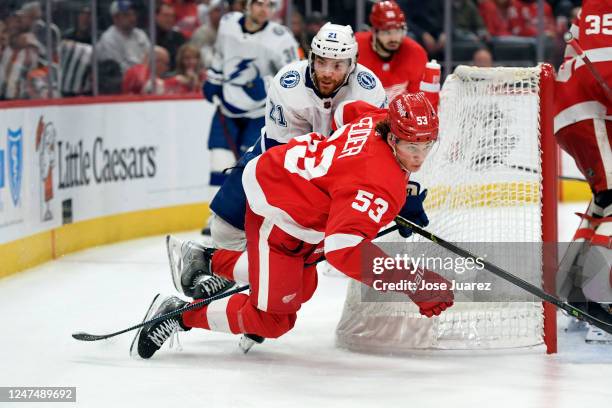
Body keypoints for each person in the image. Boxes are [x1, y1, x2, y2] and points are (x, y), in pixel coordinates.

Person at [131, 92, 455, 359]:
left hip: (296, 190)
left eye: (428, 145)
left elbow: (347, 112)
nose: (419, 157)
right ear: (393, 135)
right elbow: (343, 251)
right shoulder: (376, 182)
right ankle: (176, 314)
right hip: (280, 211)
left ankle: (207, 260)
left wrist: (340, 177)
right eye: (412, 146)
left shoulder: (377, 119)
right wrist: (414, 281)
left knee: (302, 287)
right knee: (273, 321)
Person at [189, 22, 386, 292]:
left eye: (337, 65)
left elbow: (373, 152)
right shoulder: (288, 83)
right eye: (322, 62)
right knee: (224, 226)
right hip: (279, 160)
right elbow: (283, 156)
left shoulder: (369, 89)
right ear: (311, 57)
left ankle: (248, 283)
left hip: (336, 174)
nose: (328, 73)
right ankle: (227, 272)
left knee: (295, 258)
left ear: (352, 64)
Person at [554, 0, 612, 340]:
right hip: (586, 112)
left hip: (585, 112)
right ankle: (599, 299)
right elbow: (602, 64)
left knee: (604, 201)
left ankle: (573, 290)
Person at [203, 0, 299, 186]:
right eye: (259, 4)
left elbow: (294, 76)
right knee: (218, 166)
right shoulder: (228, 23)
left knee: (248, 173)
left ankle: (240, 215)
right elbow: (220, 54)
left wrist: (265, 85)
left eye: (270, 5)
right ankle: (213, 215)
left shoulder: (281, 38)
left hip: (260, 114)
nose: (264, 10)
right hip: (227, 107)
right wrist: (213, 79)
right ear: (247, 4)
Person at [356, 0, 435, 104]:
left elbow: (419, 100)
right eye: (387, 32)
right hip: (362, 114)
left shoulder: (415, 53)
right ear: (374, 31)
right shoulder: (355, 47)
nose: (393, 38)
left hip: (400, 115)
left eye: (398, 31)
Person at [96, 0, 151, 74]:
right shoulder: (108, 39)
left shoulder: (140, 34)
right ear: (115, 18)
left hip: (144, 77)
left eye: (134, 14)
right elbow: (118, 70)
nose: (132, 18)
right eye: (127, 15)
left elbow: (151, 57)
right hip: (120, 82)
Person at [155, 2, 186, 71]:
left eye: (172, 16)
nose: (170, 19)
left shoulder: (178, 36)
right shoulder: (148, 35)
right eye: (166, 15)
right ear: (156, 16)